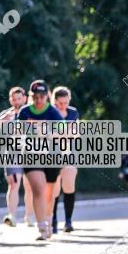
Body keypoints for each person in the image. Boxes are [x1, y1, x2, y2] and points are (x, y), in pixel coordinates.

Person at [17, 80, 64, 241]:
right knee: (38, 189)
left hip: (51, 155)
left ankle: (49, 220)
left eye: (42, 97)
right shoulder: (24, 112)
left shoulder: (53, 113)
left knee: (50, 194)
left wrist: (46, 131)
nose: (38, 100)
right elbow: (17, 132)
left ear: (47, 97)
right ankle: (42, 227)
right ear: (31, 97)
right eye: (35, 97)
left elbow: (62, 133)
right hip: (31, 154)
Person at [0, 86, 31, 227]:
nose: (16, 102)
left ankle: (29, 216)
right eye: (13, 99)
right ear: (10, 100)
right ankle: (12, 216)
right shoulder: (6, 114)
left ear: (25, 98)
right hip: (11, 153)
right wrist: (2, 120)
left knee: (30, 186)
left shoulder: (32, 112)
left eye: (19, 98)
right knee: (14, 184)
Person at [51, 86, 80, 233]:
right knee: (54, 188)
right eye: (60, 103)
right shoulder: (49, 112)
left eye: (65, 102)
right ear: (54, 101)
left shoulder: (73, 112)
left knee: (69, 186)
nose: (63, 105)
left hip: (69, 153)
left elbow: (76, 133)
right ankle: (53, 220)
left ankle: (68, 221)